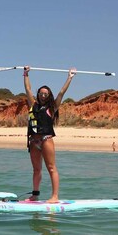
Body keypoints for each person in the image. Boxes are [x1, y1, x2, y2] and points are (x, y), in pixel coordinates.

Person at [23, 65, 76, 202]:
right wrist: (26, 74)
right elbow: (28, 89)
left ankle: (55, 196)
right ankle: (35, 195)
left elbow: (61, 93)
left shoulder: (52, 107)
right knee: (36, 170)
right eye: (41, 93)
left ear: (48, 95)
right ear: (38, 94)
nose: (43, 95)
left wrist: (69, 77)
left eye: (45, 94)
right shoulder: (32, 104)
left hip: (46, 140)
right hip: (33, 141)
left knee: (51, 168)